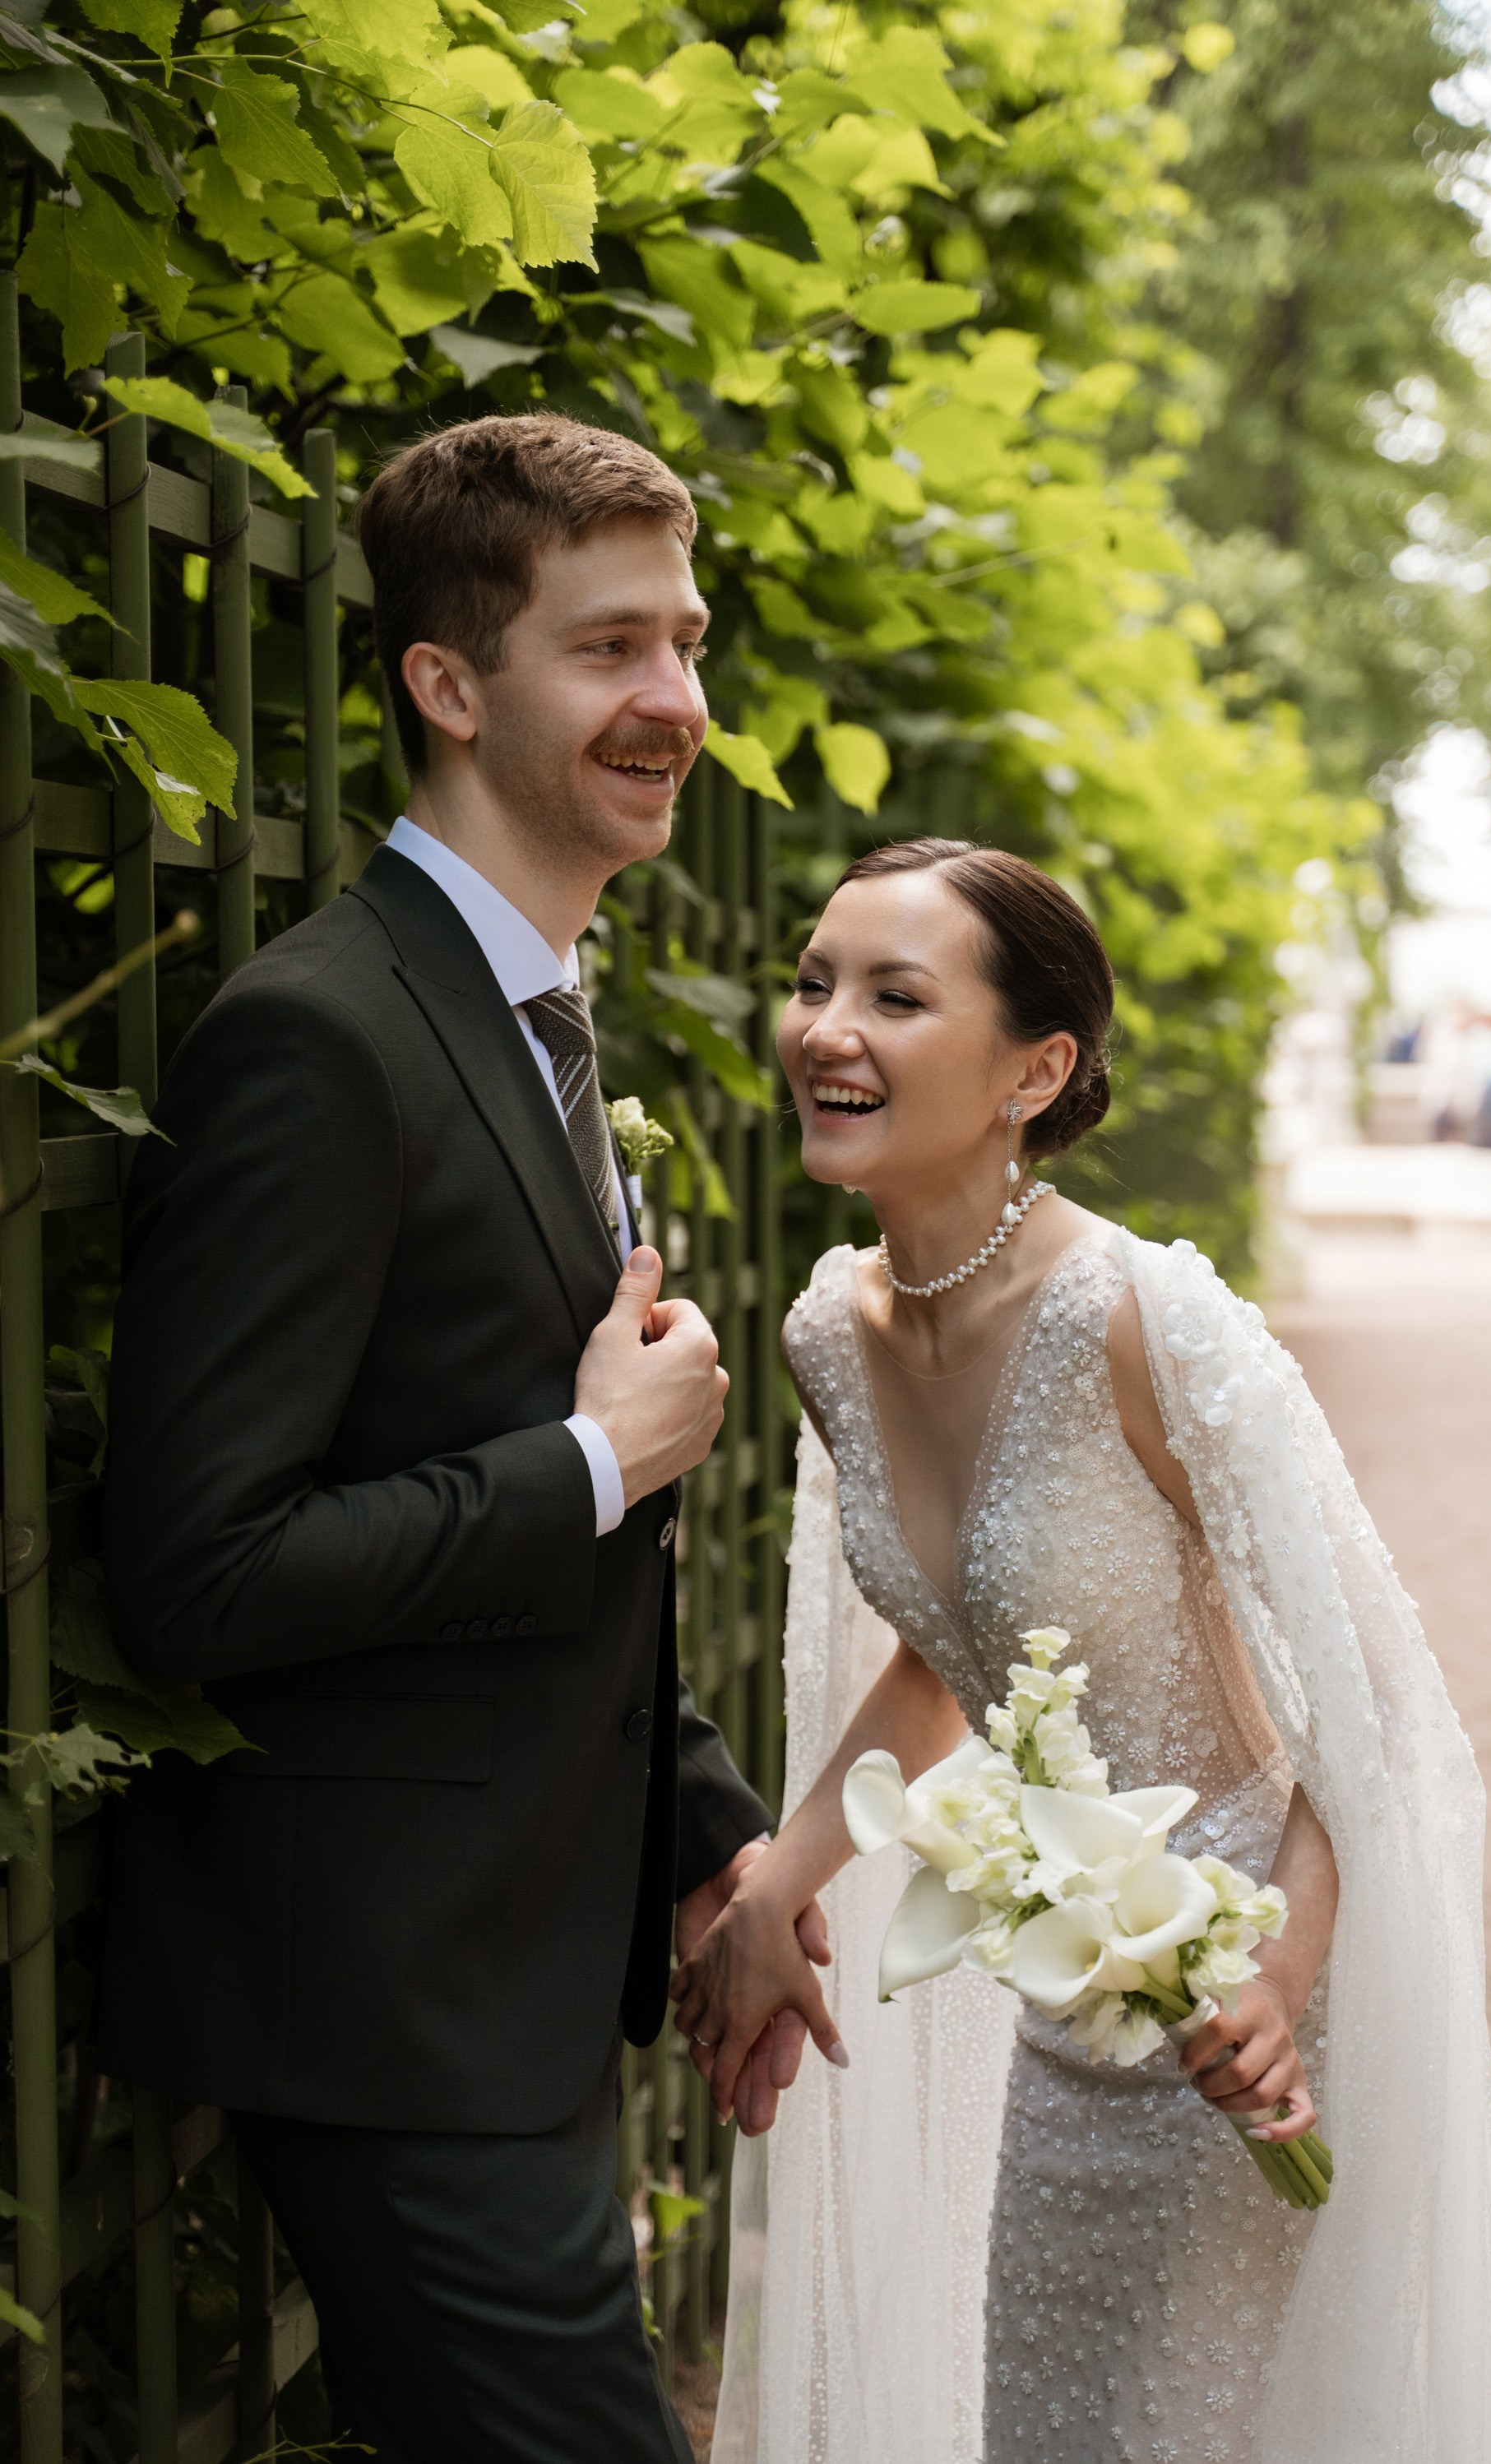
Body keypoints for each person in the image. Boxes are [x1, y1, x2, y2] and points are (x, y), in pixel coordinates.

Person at [95, 412, 817, 2464]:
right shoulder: (322, 1037)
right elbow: (200, 1571)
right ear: (445, 679)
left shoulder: (529, 1011)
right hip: (380, 2006)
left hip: (506, 1971)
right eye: (607, 651)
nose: (673, 701)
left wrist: (701, 1829)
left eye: (683, 642)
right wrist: (591, 1464)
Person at [675, 841, 1491, 2464]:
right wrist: (773, 1888)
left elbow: (1373, 1711)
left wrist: (1274, 1983)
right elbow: (958, 1649)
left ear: (1034, 1069)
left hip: (1240, 1967)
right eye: (812, 982)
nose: (824, 1028)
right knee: (1049, 2424)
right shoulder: (824, 1339)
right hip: (1071, 1982)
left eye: (894, 994)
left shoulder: (1147, 1320)